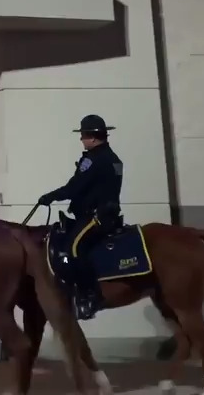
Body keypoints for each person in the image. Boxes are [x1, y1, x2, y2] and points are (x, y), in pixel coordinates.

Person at [37, 114, 124, 320]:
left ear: (93, 137)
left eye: (83, 135)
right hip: (108, 213)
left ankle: (89, 295)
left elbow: (74, 187)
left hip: (97, 216)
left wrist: (50, 197)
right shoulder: (114, 159)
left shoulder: (93, 160)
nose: (81, 140)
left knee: (73, 248)